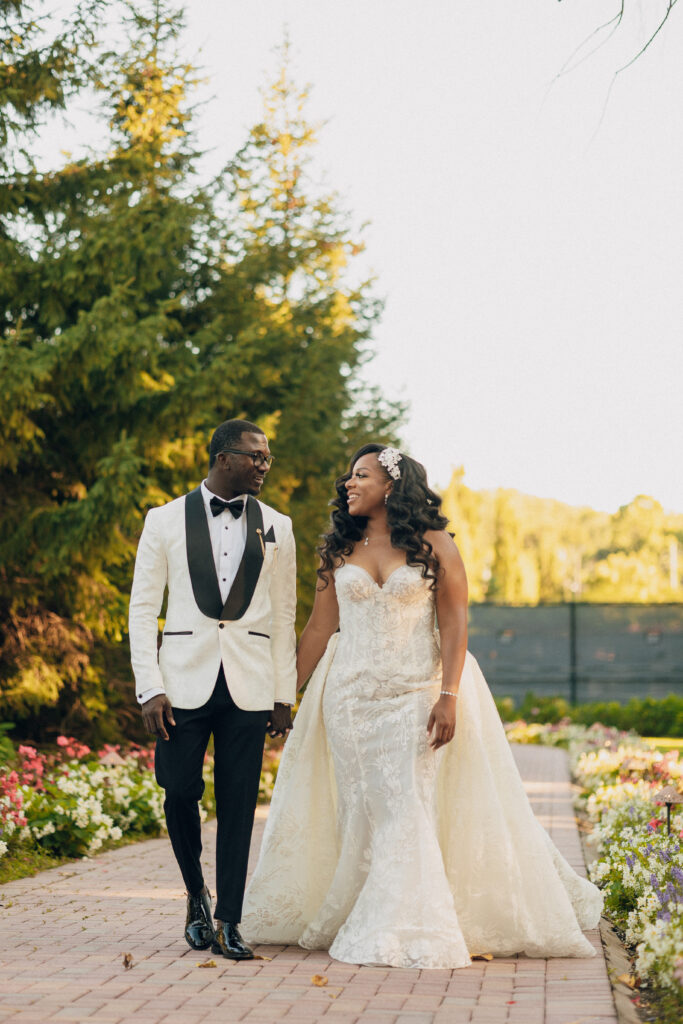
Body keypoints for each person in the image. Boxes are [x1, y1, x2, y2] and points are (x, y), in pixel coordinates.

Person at [240, 443, 603, 969]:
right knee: (364, 809)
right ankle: (361, 903)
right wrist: (284, 694)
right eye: (349, 476)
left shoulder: (435, 543)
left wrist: (448, 695)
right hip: (349, 699)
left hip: (417, 693)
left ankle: (403, 921)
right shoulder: (341, 548)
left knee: (405, 802)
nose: (348, 484)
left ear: (391, 484)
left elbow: (455, 621)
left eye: (360, 475)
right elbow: (320, 626)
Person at [128, 418, 297, 960]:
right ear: (224, 458)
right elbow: (141, 608)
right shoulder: (163, 520)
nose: (265, 465)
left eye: (267, 456)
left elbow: (287, 615)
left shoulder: (278, 526)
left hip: (249, 685)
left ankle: (229, 920)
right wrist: (149, 686)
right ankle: (196, 895)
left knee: (240, 802)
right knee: (178, 790)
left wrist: (283, 692)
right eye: (256, 456)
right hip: (180, 684)